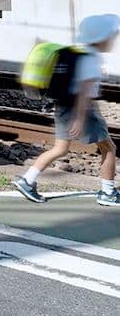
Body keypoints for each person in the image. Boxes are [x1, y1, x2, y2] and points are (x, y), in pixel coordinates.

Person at [13, 12, 118, 207]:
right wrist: (79, 119)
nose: (113, 40)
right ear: (101, 37)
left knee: (60, 149)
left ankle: (27, 180)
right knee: (109, 148)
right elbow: (84, 92)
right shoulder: (91, 58)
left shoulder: (80, 53)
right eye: (111, 36)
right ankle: (108, 192)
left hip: (63, 105)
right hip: (82, 110)